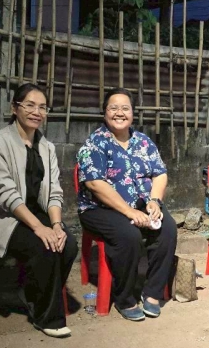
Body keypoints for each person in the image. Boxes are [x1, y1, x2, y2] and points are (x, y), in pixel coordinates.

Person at [0, 83, 77, 338]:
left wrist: (56, 225)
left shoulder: (47, 147)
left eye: (42, 107)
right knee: (43, 246)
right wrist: (39, 228)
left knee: (68, 245)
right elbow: (6, 194)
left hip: (34, 213)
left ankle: (30, 292)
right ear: (14, 108)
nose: (36, 112)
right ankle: (46, 316)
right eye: (29, 105)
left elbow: (54, 192)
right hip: (0, 216)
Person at [76, 88, 177, 321]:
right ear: (104, 112)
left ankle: (152, 293)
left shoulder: (143, 142)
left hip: (140, 204)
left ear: (132, 113)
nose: (119, 113)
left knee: (168, 228)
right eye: (113, 108)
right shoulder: (95, 143)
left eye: (125, 108)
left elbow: (160, 173)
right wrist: (129, 211)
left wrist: (154, 201)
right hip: (99, 209)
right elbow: (95, 184)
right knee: (129, 235)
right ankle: (124, 298)